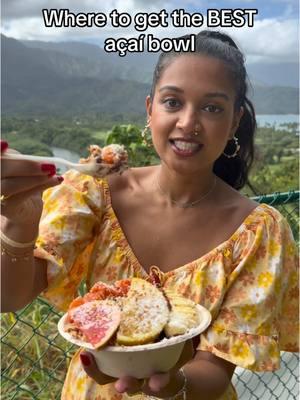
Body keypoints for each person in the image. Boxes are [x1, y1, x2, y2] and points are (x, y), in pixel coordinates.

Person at [1, 30, 298, 400]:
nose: (188, 122)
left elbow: (215, 369)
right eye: (173, 102)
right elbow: (10, 297)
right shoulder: (94, 193)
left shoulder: (260, 232)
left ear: (235, 121)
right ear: (149, 108)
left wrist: (171, 384)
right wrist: (18, 223)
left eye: (212, 108)